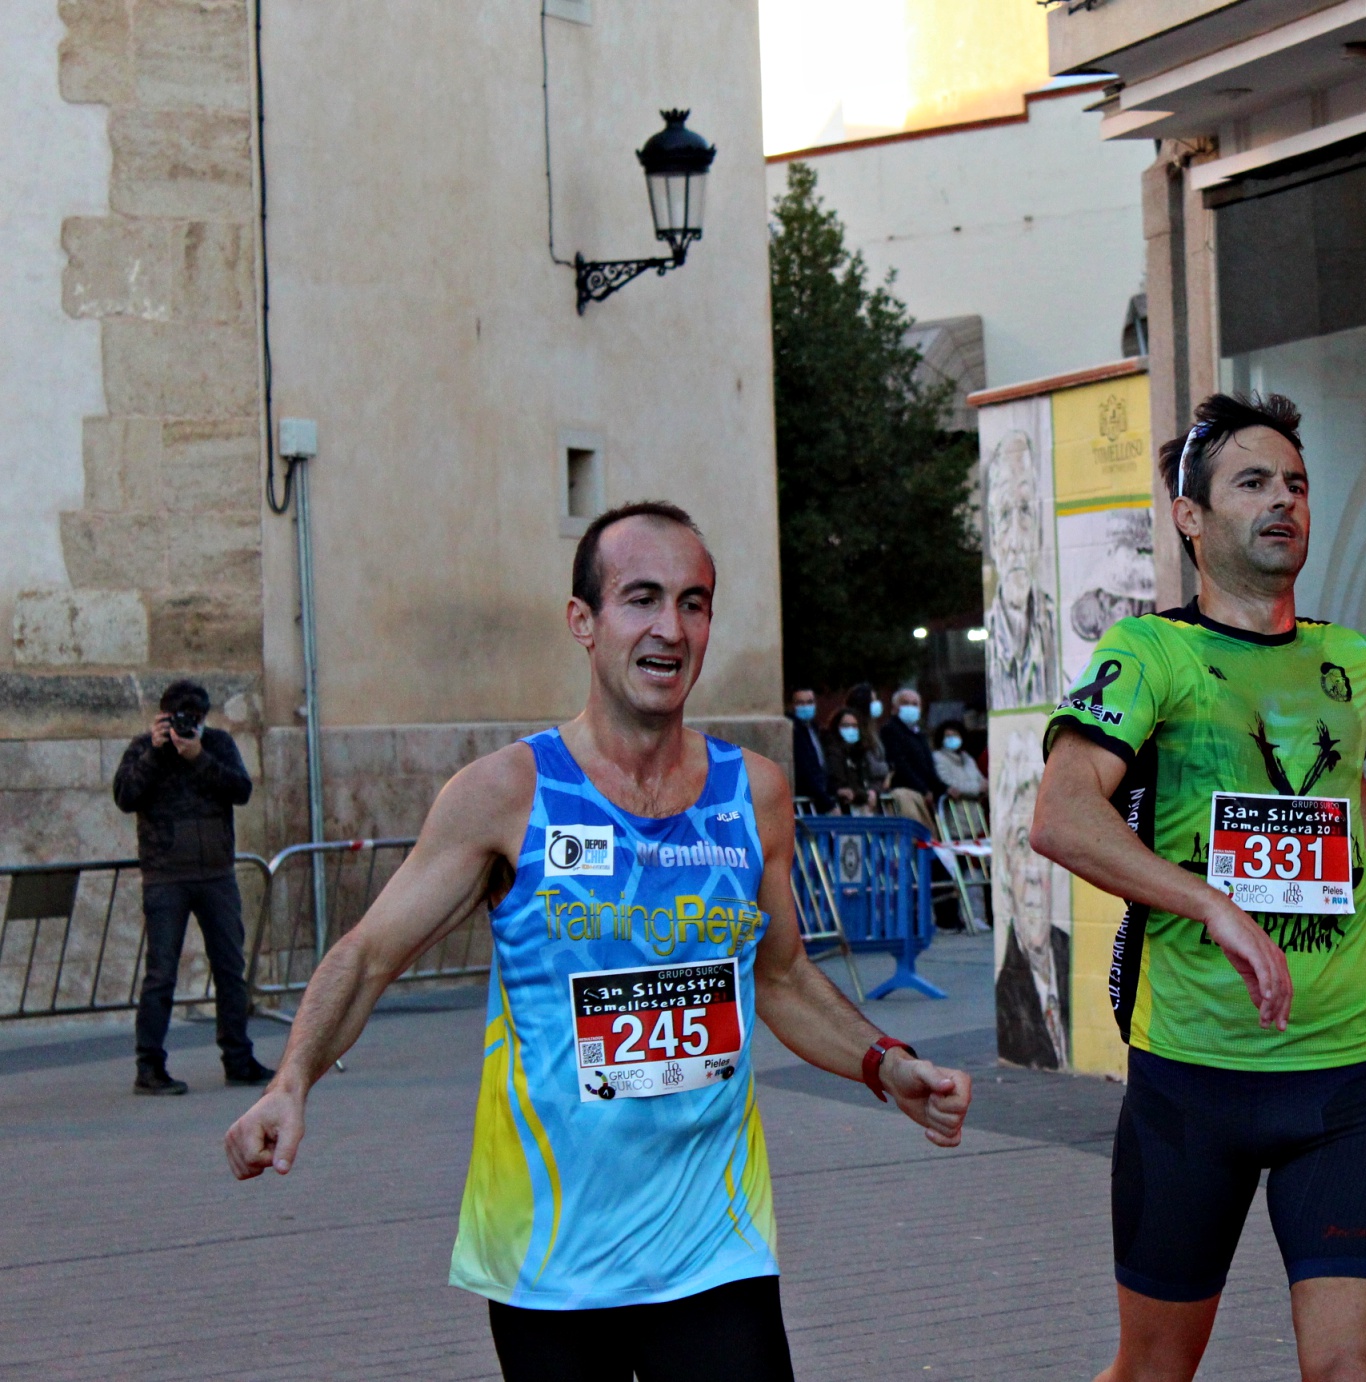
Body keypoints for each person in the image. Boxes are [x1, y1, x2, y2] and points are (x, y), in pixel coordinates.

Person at [225, 501, 972, 1382]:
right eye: (641, 599)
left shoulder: (755, 794)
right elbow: (369, 953)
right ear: (583, 621)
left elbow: (780, 978)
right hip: (551, 1264)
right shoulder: (507, 793)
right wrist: (291, 1081)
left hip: (715, 1247)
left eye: (692, 603)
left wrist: (886, 1061)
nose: (670, 628)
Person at [1030, 394, 1366, 1382]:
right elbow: (1061, 813)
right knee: (1152, 1371)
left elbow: (1336, 780)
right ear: (1191, 516)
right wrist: (1209, 900)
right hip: (1194, 1077)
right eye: (1251, 482)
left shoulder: (1347, 657)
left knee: (1352, 1371)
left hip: (1346, 1077)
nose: (1282, 501)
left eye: (1296, 483)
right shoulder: (1151, 654)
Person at [113, 679, 270, 1096]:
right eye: (179, 718)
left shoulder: (216, 745)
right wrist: (154, 751)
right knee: (161, 975)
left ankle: (238, 1059)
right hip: (166, 877)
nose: (187, 726)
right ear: (163, 716)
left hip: (216, 875)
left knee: (230, 972)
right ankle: (149, 1068)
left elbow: (241, 790)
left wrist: (199, 757)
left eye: (194, 719)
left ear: (204, 718)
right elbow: (125, 796)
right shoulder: (144, 749)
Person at [878, 688, 944, 829]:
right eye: (905, 703)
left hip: (923, 793)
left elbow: (929, 766)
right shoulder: (890, 730)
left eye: (915, 704)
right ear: (895, 708)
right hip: (906, 793)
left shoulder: (918, 733)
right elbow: (900, 764)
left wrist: (941, 789)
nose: (911, 707)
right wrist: (923, 790)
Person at [822, 708, 883, 812]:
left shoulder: (861, 752)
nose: (850, 729)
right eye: (845, 725)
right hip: (847, 808)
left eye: (854, 726)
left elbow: (870, 778)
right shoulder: (833, 752)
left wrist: (874, 792)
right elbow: (842, 785)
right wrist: (864, 796)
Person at [789, 687, 832, 812]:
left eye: (809, 702)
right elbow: (805, 769)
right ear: (793, 705)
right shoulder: (795, 731)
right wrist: (826, 802)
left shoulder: (814, 729)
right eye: (800, 703)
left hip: (820, 795)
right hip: (808, 800)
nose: (806, 706)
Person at [933, 722, 985, 801]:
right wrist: (976, 788)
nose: (951, 738)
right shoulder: (937, 757)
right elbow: (946, 782)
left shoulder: (967, 757)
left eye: (955, 735)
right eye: (948, 736)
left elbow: (979, 778)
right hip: (953, 807)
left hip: (973, 806)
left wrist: (983, 786)